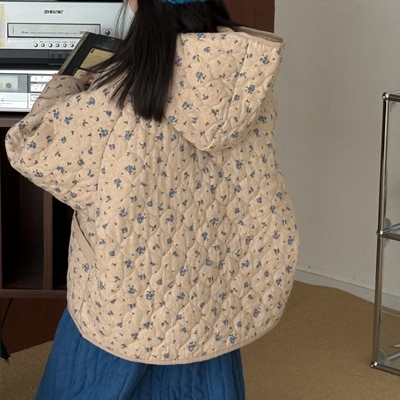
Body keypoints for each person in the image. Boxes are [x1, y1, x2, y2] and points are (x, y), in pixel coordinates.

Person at [5, 0, 299, 398]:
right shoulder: (245, 79)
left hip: (127, 299)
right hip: (210, 292)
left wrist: (66, 82)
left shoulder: (114, 95)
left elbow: (31, 148)